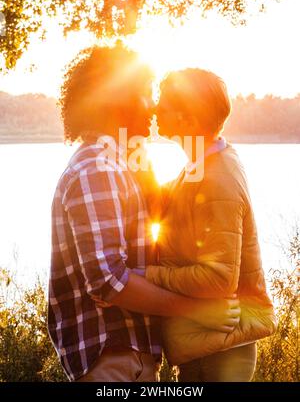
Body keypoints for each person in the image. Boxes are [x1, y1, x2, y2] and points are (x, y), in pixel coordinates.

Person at [47, 46, 241, 382]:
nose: (152, 106)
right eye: (144, 94)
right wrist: (197, 311)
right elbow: (109, 282)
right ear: (117, 101)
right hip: (112, 359)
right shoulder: (97, 168)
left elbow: (164, 216)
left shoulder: (119, 164)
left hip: (128, 359)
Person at [145, 68, 277, 382]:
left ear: (188, 119)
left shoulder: (217, 178)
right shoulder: (201, 166)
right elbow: (173, 205)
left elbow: (218, 279)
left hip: (220, 351)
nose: (154, 109)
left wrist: (148, 276)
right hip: (208, 345)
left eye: (163, 105)